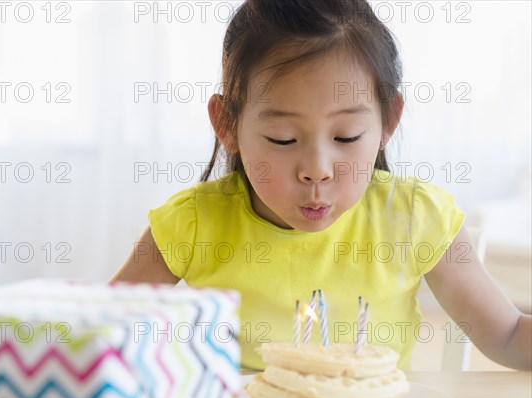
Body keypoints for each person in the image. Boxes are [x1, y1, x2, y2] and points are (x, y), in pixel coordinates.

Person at [112, 0, 531, 371]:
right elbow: (100, 328)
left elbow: (509, 334)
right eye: (283, 139)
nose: (317, 170)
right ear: (227, 124)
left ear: (387, 122)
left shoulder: (414, 219)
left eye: (346, 136)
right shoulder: (194, 223)